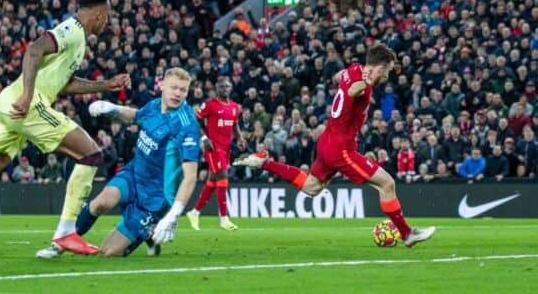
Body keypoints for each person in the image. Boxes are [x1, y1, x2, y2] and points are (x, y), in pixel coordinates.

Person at [0, 0, 132, 258]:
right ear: (99, 14)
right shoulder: (73, 29)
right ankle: (66, 232)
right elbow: (34, 49)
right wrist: (29, 95)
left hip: (9, 103)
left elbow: (64, 85)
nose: (108, 22)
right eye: (107, 16)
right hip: (26, 103)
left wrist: (105, 84)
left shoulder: (80, 41)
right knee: (91, 155)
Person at [235, 44, 435, 247]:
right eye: (389, 71)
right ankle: (407, 233)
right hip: (341, 148)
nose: (387, 77)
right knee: (387, 184)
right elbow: (352, 91)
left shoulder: (354, 68)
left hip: (327, 140)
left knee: (311, 187)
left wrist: (353, 80)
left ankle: (264, 163)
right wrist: (365, 83)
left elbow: (338, 77)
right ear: (381, 68)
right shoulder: (362, 82)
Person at [73, 68, 200, 256]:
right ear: (162, 86)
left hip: (155, 196)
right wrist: (112, 108)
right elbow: (136, 116)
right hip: (133, 174)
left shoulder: (186, 125)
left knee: (109, 253)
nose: (177, 93)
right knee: (101, 202)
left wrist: (173, 215)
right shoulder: (155, 105)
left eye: (183, 90)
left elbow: (190, 177)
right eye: (174, 87)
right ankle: (64, 239)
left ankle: (148, 231)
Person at [186, 77, 245, 231]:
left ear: (231, 88)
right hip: (213, 148)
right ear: (217, 89)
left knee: (213, 181)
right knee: (223, 179)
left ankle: (194, 212)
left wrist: (239, 137)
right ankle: (224, 218)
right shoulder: (210, 105)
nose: (224, 88)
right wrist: (204, 138)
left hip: (226, 148)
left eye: (227, 86)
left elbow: (235, 124)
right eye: (221, 86)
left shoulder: (234, 107)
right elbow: (195, 121)